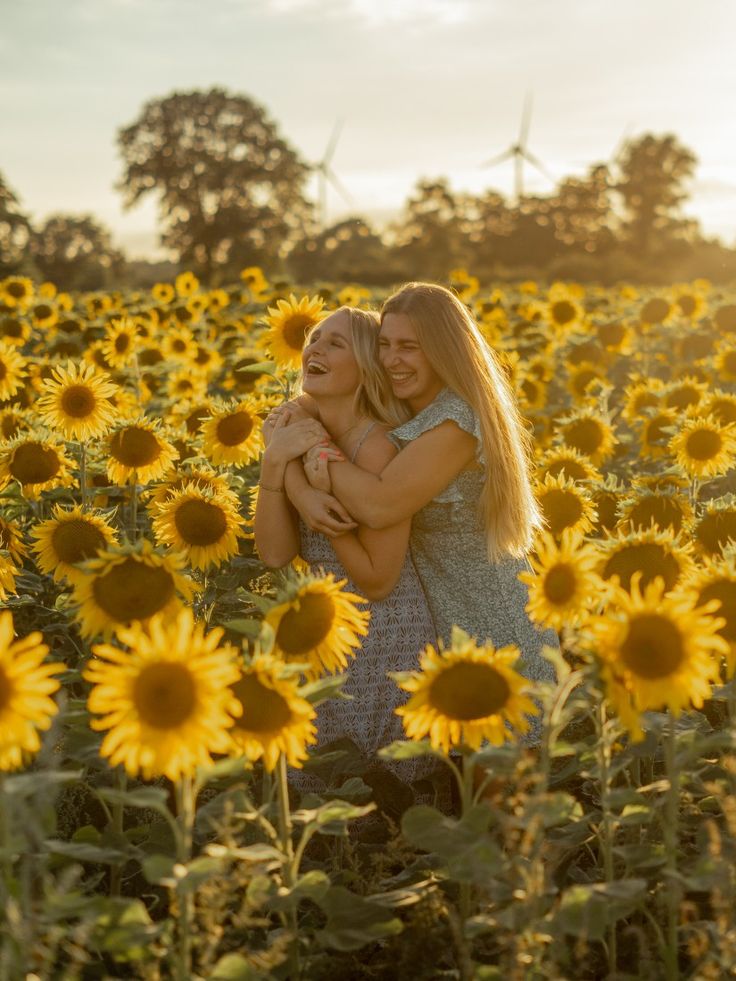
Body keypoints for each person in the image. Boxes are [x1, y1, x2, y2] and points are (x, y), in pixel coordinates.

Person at [297, 283, 559, 698]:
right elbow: (306, 410)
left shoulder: (456, 421)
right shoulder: (411, 411)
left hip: (492, 624)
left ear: (443, 351)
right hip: (444, 627)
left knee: (501, 761)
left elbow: (381, 505)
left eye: (409, 347)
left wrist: (316, 448)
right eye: (384, 344)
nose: (391, 360)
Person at [254, 306, 439, 798]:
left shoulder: (378, 447)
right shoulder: (297, 432)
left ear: (365, 368)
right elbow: (274, 554)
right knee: (322, 791)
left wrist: (328, 521)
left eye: (335, 343)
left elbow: (379, 579)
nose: (314, 348)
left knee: (377, 795)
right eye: (314, 339)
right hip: (323, 629)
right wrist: (279, 468)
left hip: (382, 636)